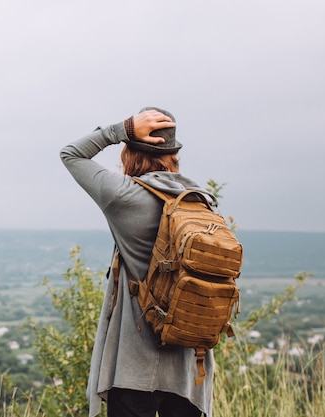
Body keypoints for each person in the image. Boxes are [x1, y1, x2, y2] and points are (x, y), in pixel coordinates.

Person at [60, 107, 217, 417]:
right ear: (173, 154)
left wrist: (121, 129)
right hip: (189, 369)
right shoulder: (201, 201)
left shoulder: (123, 196)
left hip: (133, 366)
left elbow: (72, 155)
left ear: (129, 155)